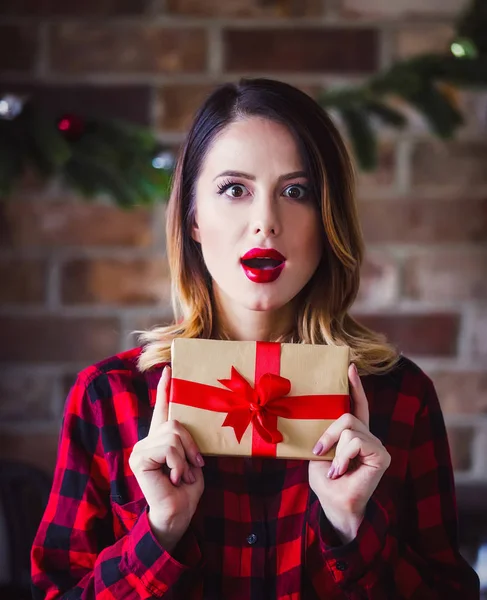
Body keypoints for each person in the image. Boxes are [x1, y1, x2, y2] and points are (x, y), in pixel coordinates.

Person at [31, 78, 479, 599]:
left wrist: (352, 526)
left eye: (296, 191)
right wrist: (159, 534)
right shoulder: (108, 399)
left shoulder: (401, 399)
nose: (265, 223)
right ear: (194, 218)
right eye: (234, 189)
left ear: (327, 216)